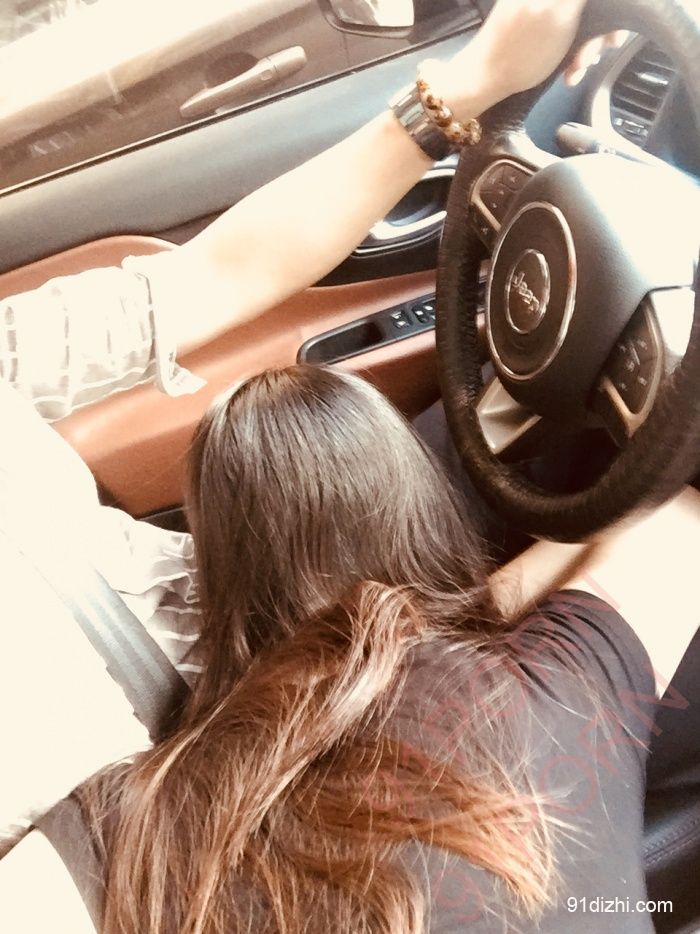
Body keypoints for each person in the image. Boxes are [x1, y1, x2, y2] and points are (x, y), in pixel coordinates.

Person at [0, 0, 692, 927]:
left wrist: (473, 82)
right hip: (231, 805)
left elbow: (212, 277)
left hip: (287, 629)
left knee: (493, 444)